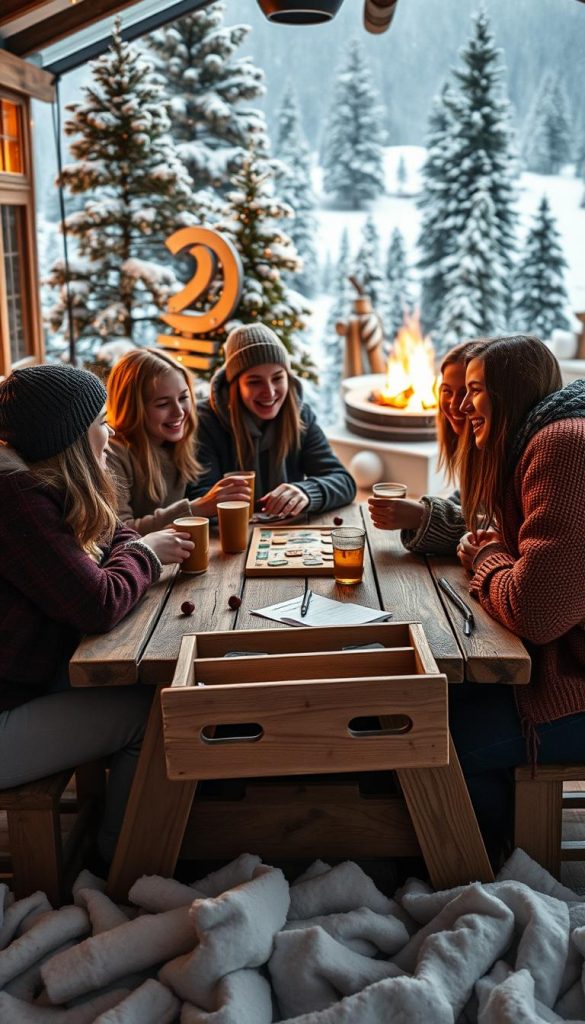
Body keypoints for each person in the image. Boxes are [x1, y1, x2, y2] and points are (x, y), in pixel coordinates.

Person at [0, 363, 194, 865]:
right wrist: (148, 555)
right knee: (153, 713)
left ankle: (149, 828)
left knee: (160, 689)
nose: (109, 432)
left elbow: (114, 532)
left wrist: (134, 546)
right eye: (101, 420)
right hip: (6, 709)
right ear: (71, 436)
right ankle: (123, 861)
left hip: (26, 682)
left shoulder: (36, 485)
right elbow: (99, 603)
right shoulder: (15, 500)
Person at [449, 334, 585, 862]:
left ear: (509, 391)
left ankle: (497, 864)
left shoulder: (563, 446)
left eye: (475, 391)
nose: (462, 406)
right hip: (564, 663)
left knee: (437, 741)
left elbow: (536, 611)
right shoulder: (546, 437)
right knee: (435, 698)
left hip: (573, 685)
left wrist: (486, 564)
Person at [188, 323, 356, 516]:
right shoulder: (205, 421)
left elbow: (344, 482)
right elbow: (200, 499)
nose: (269, 392)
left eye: (277, 378)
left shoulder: (300, 415)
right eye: (254, 381)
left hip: (285, 535)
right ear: (235, 385)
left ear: (288, 377)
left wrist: (306, 492)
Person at [106, 348, 252, 534]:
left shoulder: (179, 443)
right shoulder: (111, 454)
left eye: (183, 397)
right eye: (163, 404)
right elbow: (119, 533)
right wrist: (195, 509)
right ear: (133, 407)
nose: (179, 412)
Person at [368, 342, 470, 553]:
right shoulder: (473, 450)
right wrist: (427, 512)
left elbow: (497, 529)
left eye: (468, 392)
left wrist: (422, 516)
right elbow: (466, 505)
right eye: (447, 391)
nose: (453, 405)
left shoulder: (503, 453)